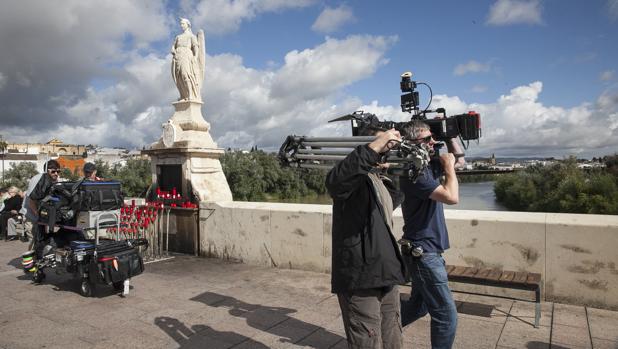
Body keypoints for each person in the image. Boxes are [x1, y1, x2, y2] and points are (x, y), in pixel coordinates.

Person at [326, 128, 407, 349]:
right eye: (383, 145)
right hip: (360, 276)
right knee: (367, 341)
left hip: (386, 272)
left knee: (393, 338)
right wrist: (375, 146)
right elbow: (334, 182)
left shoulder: (376, 180)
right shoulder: (350, 180)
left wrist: (398, 169)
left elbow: (392, 200)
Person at [399, 120, 464, 349]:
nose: (433, 142)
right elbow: (452, 197)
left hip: (426, 251)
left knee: (419, 306)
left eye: (432, 137)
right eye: (428, 139)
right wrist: (447, 167)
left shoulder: (424, 167)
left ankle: (377, 332)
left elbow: (461, 161)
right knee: (446, 316)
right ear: (412, 143)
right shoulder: (415, 174)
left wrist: (451, 135)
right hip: (423, 253)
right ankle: (376, 330)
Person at [171, 18, 205, 102]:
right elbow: (173, 46)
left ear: (188, 25)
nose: (181, 25)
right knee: (179, 77)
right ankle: (183, 95)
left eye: (183, 24)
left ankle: (190, 95)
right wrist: (173, 50)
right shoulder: (178, 37)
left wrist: (195, 56)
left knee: (185, 74)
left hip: (186, 55)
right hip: (177, 56)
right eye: (181, 24)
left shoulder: (191, 36)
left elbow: (195, 47)